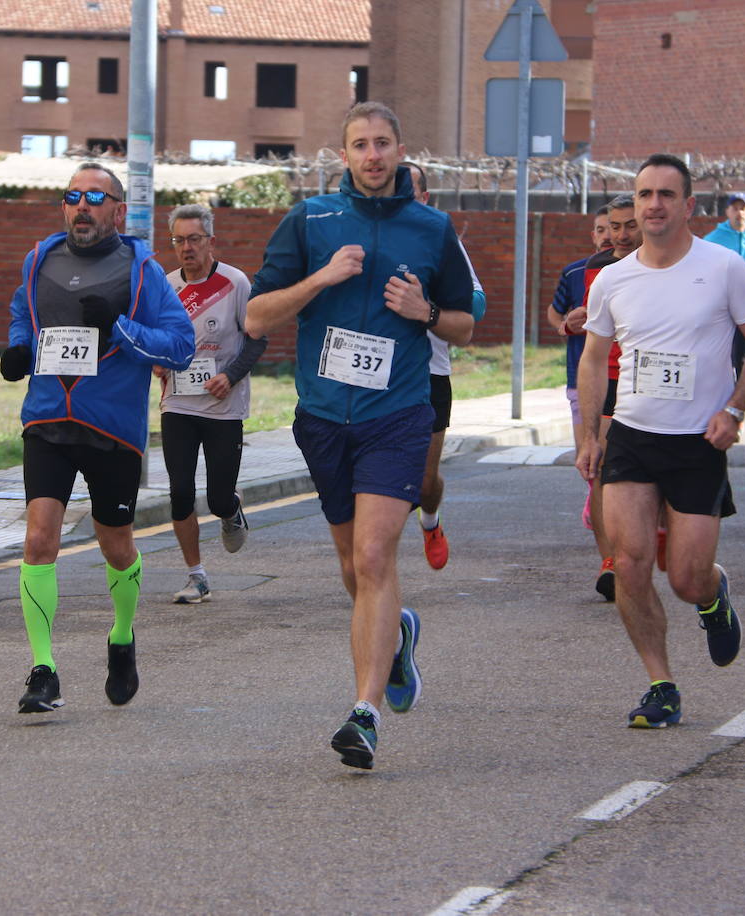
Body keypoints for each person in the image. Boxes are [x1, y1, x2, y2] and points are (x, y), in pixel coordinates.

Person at [245, 102, 475, 769]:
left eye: (383, 144)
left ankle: (364, 713)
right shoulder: (309, 221)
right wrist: (320, 278)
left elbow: (465, 323)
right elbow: (257, 316)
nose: (373, 156)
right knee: (354, 569)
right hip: (323, 419)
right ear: (342, 155)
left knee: (374, 558)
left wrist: (425, 311)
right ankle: (398, 633)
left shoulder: (433, 228)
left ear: (401, 150)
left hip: (398, 417)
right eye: (359, 145)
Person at [576, 153, 745, 729]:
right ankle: (661, 684)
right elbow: (593, 359)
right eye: (644, 195)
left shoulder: (723, 268)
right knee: (630, 566)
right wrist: (592, 435)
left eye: (667, 194)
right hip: (633, 437)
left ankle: (714, 598)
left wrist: (734, 411)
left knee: (687, 577)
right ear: (634, 206)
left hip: (697, 442)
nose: (654, 204)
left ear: (688, 205)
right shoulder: (614, 278)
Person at [0, 163, 196, 714]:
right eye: (72, 196)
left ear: (117, 210)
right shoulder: (39, 260)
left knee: (116, 545)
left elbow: (180, 346)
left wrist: (120, 329)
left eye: (94, 196)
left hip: (112, 428)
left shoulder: (141, 270)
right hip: (47, 419)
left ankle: (123, 635)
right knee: (40, 539)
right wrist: (18, 348)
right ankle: (44, 670)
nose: (81, 205)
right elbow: (23, 314)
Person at [159, 204, 268, 603]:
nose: (187, 248)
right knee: (180, 492)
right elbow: (159, 339)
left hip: (224, 406)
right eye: (179, 240)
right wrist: (158, 360)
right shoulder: (166, 286)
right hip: (179, 404)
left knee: (218, 496)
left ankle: (231, 509)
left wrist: (231, 375)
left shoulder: (235, 283)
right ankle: (196, 575)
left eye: (194, 239)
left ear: (210, 242)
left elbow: (257, 339)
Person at [403, 161, 487, 570]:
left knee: (424, 481)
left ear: (425, 197)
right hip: (378, 375)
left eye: (410, 191)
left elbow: (477, 304)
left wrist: (427, 302)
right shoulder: (368, 236)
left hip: (430, 372)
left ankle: (430, 520)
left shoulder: (441, 237)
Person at [579, 196, 643, 601]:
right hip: (611, 378)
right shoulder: (597, 269)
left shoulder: (664, 265)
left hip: (649, 381)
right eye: (614, 226)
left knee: (645, 474)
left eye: (629, 226)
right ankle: (610, 562)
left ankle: (647, 540)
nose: (620, 235)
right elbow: (596, 323)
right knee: (600, 469)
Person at [548, 205, 611, 457]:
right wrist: (565, 326)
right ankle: (592, 498)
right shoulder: (575, 272)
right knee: (588, 456)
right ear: (593, 236)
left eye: (614, 228)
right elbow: (554, 312)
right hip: (582, 374)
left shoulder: (639, 270)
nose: (608, 235)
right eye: (601, 230)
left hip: (626, 376)